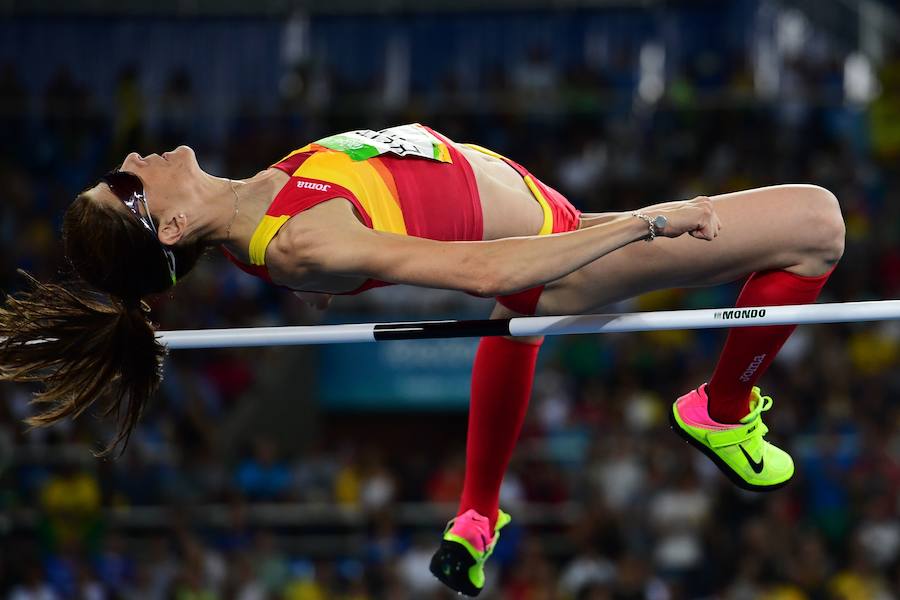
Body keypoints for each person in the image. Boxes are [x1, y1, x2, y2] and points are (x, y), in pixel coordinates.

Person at [0, 123, 844, 597]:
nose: (135, 161)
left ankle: (477, 517)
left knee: (513, 323)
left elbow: (368, 224)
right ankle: (724, 411)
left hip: (558, 218)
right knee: (817, 225)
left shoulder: (261, 209)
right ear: (170, 230)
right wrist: (647, 223)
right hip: (567, 252)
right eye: (125, 182)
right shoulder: (294, 238)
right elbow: (488, 272)